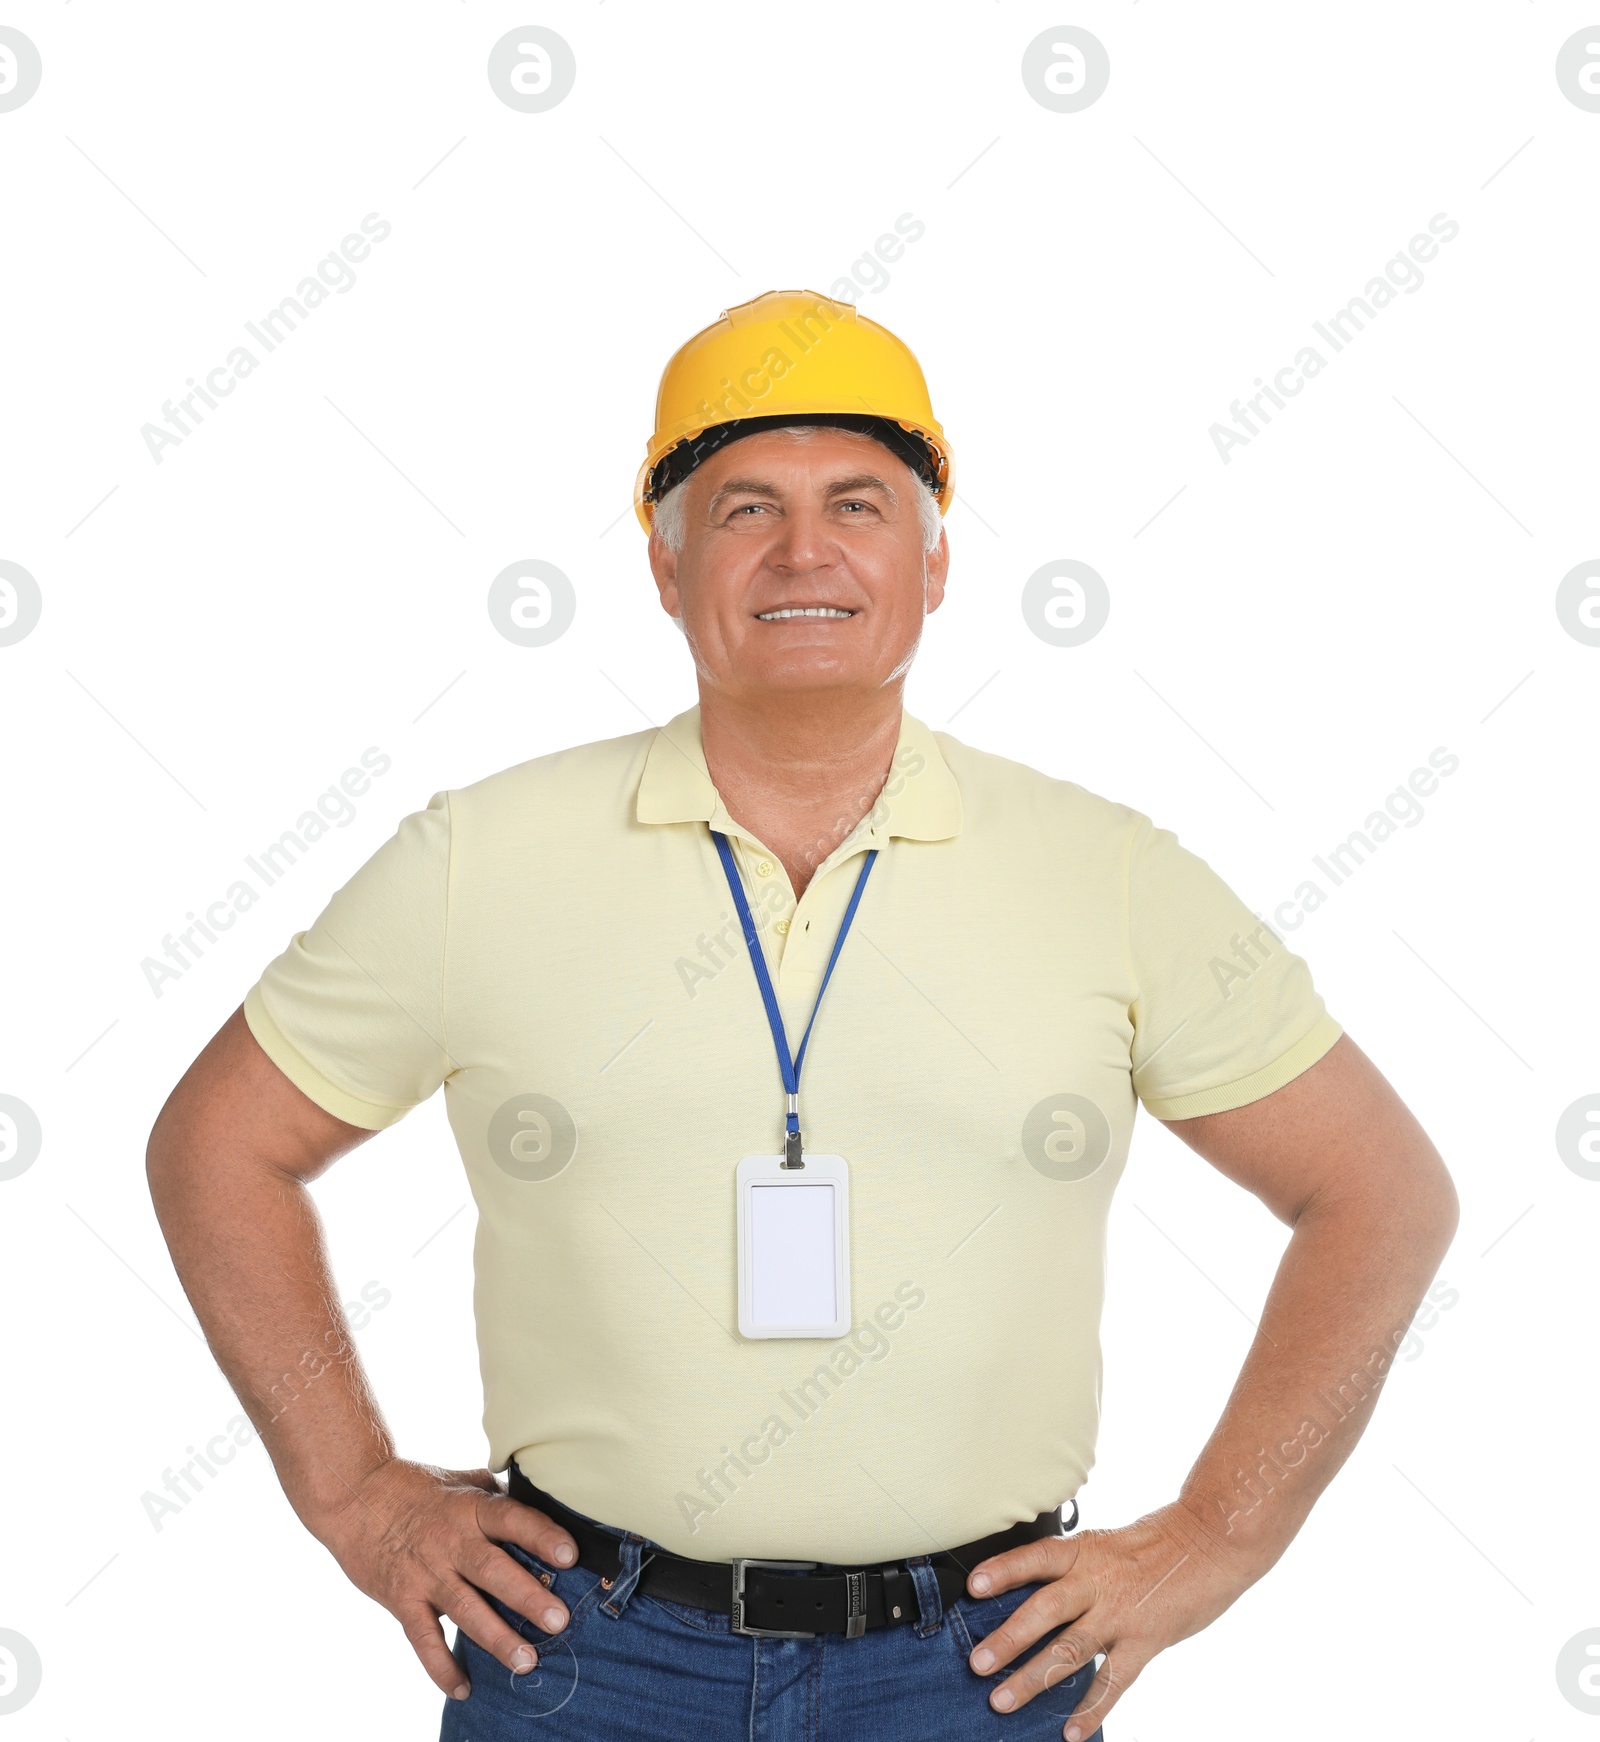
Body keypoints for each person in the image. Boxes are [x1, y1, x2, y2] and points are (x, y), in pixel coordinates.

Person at [147, 290, 1459, 1741]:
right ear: (664, 563)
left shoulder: (1108, 872)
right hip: (589, 1660)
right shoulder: (481, 859)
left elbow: (1380, 1191)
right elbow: (217, 1144)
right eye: (744, 508)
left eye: (859, 503)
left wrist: (1219, 1533)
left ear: (935, 562)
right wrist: (351, 1488)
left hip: (976, 1667)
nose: (805, 552)